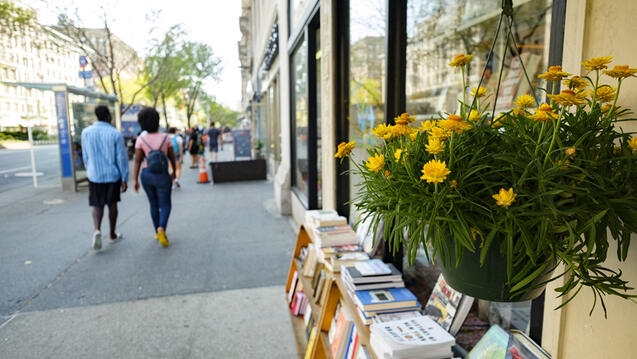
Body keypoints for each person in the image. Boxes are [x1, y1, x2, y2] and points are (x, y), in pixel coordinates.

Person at [81, 105, 128, 250]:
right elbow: (121, 158)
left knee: (97, 204)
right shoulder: (115, 134)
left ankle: (97, 230)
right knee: (112, 204)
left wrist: (89, 169)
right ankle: (112, 234)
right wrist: (124, 177)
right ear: (108, 116)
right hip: (112, 175)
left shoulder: (86, 132)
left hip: (94, 174)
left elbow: (85, 155)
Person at [132, 107, 176, 247]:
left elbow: (138, 160)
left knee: (153, 204)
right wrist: (174, 171)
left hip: (147, 175)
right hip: (163, 175)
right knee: (165, 204)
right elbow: (171, 157)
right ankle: (162, 228)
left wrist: (135, 180)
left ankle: (157, 232)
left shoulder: (140, 139)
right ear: (157, 121)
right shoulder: (166, 137)